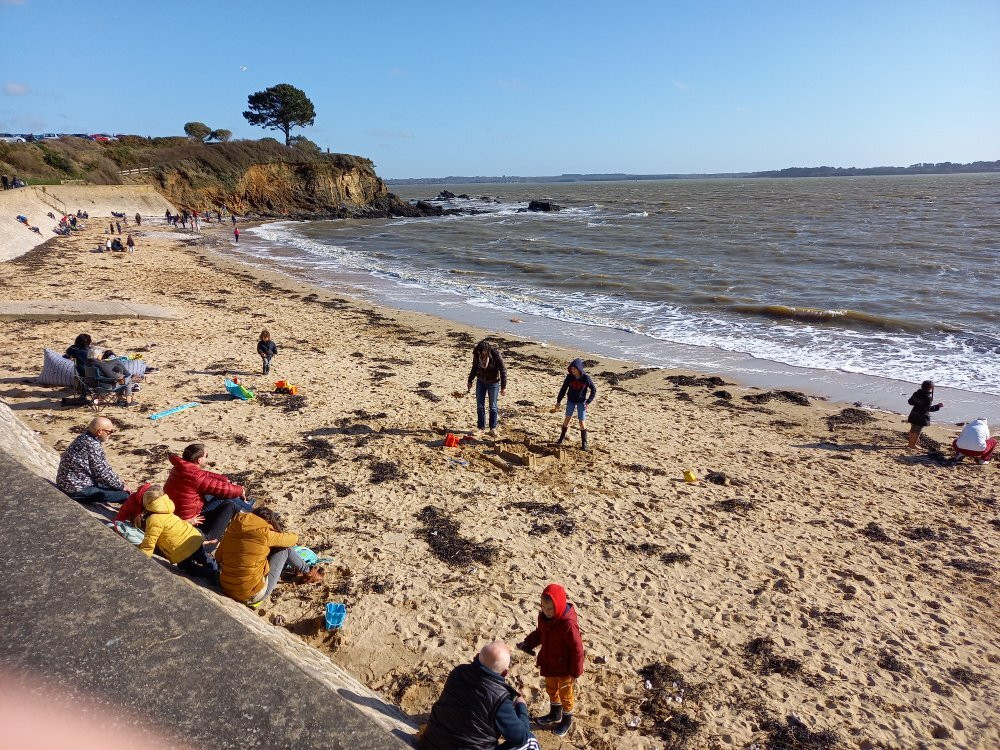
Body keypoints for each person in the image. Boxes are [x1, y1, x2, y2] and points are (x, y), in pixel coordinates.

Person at [421, 642, 539, 750]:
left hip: (431, 743)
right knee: (530, 742)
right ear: (505, 673)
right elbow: (520, 736)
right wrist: (521, 706)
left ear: (477, 656)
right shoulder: (501, 698)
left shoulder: (458, 671)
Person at [215, 507, 323, 608]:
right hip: (250, 594)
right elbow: (293, 539)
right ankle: (309, 572)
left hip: (225, 586)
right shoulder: (265, 533)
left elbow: (218, 556)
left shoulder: (233, 528)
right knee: (285, 549)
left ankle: (306, 572)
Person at [516, 584, 584, 738]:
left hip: (566, 668)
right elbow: (540, 633)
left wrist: (576, 671)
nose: (546, 612)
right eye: (544, 607)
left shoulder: (567, 624)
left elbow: (577, 648)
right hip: (550, 662)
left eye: (550, 609)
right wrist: (528, 643)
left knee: (566, 694)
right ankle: (555, 713)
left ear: (558, 606)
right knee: (551, 689)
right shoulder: (545, 618)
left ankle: (567, 719)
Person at [163, 443, 252, 542]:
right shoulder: (196, 477)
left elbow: (205, 475)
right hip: (192, 519)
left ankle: (247, 508)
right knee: (227, 496)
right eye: (206, 456)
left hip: (179, 514)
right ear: (199, 460)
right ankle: (255, 514)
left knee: (219, 493)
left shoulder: (179, 468)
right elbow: (225, 489)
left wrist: (224, 479)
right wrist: (241, 490)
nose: (207, 458)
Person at [135, 485, 218, 582]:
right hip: (193, 538)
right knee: (203, 557)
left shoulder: (154, 519)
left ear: (147, 502)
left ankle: (211, 574)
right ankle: (216, 571)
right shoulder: (167, 510)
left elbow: (150, 540)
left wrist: (143, 556)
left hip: (180, 549)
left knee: (186, 565)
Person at [56, 417, 129, 504]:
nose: (110, 434)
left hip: (65, 483)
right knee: (126, 495)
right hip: (76, 489)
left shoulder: (83, 437)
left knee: (113, 486)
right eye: (109, 432)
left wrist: (117, 482)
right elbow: (102, 473)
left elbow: (102, 468)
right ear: (100, 432)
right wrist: (121, 486)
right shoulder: (93, 445)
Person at [466, 339, 507, 437]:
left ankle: (493, 428)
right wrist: (470, 380)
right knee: (480, 405)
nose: (481, 355)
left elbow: (503, 370)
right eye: (480, 353)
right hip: (480, 381)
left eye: (483, 353)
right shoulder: (477, 354)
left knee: (493, 406)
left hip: (493, 383)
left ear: (487, 351)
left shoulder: (496, 354)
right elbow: (474, 367)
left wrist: (503, 387)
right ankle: (481, 428)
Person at [555, 358, 597, 450]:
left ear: (579, 369)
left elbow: (593, 390)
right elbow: (563, 389)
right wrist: (558, 401)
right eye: (571, 368)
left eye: (574, 368)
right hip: (571, 401)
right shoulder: (569, 377)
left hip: (581, 402)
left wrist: (588, 401)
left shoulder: (586, 378)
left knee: (581, 422)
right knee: (567, 419)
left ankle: (584, 444)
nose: (572, 370)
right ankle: (561, 439)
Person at [906, 380, 943, 449]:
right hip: (921, 416)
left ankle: (910, 443)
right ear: (931, 388)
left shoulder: (916, 393)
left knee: (913, 429)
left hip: (913, 413)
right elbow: (928, 409)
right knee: (917, 431)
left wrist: (917, 402)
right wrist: (938, 406)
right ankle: (913, 445)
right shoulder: (928, 397)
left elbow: (910, 402)